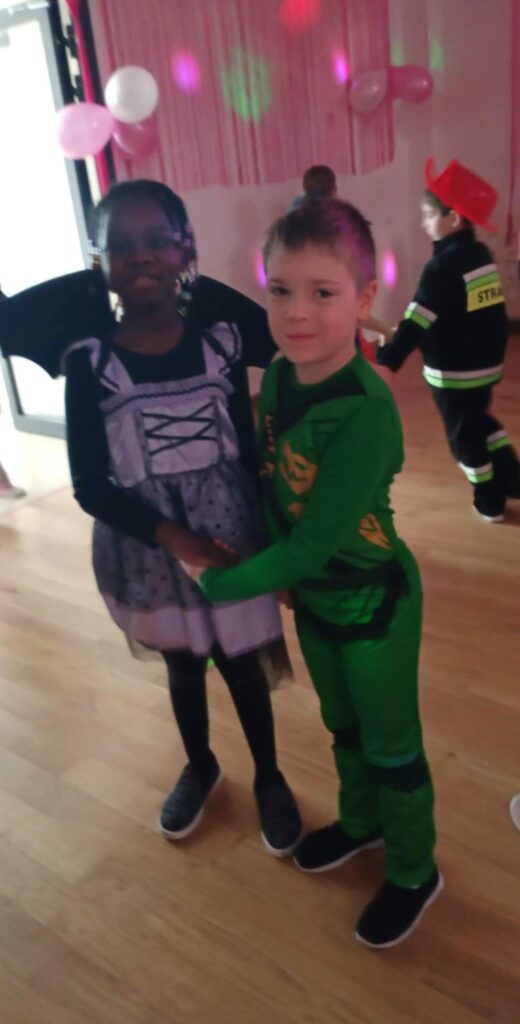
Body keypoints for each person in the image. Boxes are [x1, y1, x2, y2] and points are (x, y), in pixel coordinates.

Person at [192, 199, 441, 949]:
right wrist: (274, 571)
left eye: (322, 292)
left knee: (391, 745)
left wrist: (217, 586)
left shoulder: (366, 411)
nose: (296, 312)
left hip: (375, 606)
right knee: (343, 728)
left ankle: (414, 870)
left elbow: (309, 545)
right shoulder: (278, 380)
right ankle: (362, 825)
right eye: (280, 290)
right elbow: (274, 489)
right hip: (317, 603)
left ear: (364, 299)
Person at [63, 179, 302, 855]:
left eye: (157, 241)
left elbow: (248, 452)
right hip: (150, 548)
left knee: (242, 664)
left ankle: (270, 775)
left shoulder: (223, 345)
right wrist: (176, 539)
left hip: (231, 538)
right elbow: (89, 484)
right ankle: (200, 764)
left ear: (185, 250)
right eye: (121, 245)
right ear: (99, 261)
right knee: (184, 667)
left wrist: (275, 542)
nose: (141, 256)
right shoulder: (90, 363)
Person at [377, 159, 520, 523]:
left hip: (455, 374)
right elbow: (490, 315)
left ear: (453, 218)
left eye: (428, 215)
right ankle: (512, 477)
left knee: (463, 440)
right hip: (485, 368)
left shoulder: (441, 267)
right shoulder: (482, 257)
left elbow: (417, 320)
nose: (423, 223)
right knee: (480, 422)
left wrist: (389, 359)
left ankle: (489, 499)